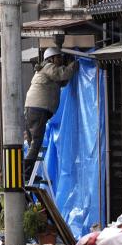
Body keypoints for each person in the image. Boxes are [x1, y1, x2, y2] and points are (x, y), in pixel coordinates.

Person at [23, 47, 77, 182]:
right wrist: (73, 65)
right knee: (36, 143)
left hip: (32, 109)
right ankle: (25, 172)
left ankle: (28, 173)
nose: (60, 60)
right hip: (38, 109)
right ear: (50, 59)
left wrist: (68, 69)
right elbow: (63, 74)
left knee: (32, 144)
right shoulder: (49, 67)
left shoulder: (46, 70)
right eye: (58, 57)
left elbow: (62, 82)